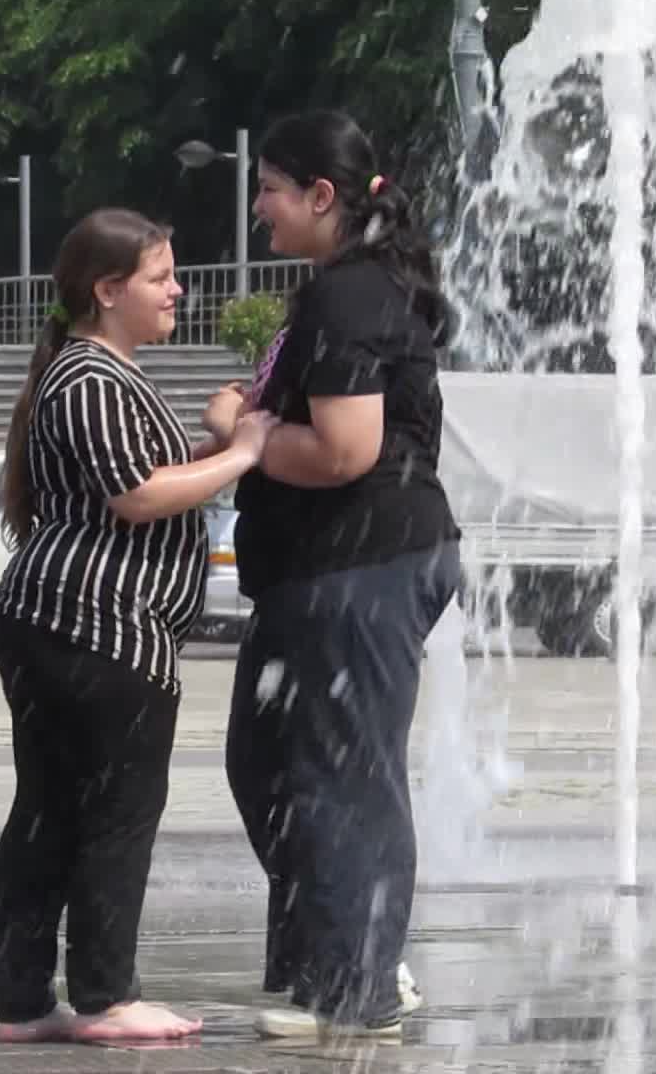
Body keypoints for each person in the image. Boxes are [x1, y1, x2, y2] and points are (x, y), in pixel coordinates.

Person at [0, 207, 277, 1044]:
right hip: (98, 627)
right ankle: (107, 995)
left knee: (49, 812)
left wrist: (214, 442)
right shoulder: (91, 377)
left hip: (62, 621)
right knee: (116, 812)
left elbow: (139, 477)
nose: (177, 290)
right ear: (108, 291)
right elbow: (137, 494)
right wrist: (243, 453)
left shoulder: (89, 373)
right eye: (161, 277)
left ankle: (24, 1002)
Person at [204, 109, 463, 1038]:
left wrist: (246, 439)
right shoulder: (341, 291)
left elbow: (345, 450)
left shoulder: (349, 297)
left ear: (322, 196)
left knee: (341, 773)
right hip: (333, 569)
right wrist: (250, 417)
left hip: (362, 566)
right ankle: (347, 961)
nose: (258, 209)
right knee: (270, 763)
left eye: (270, 190)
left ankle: (361, 990)